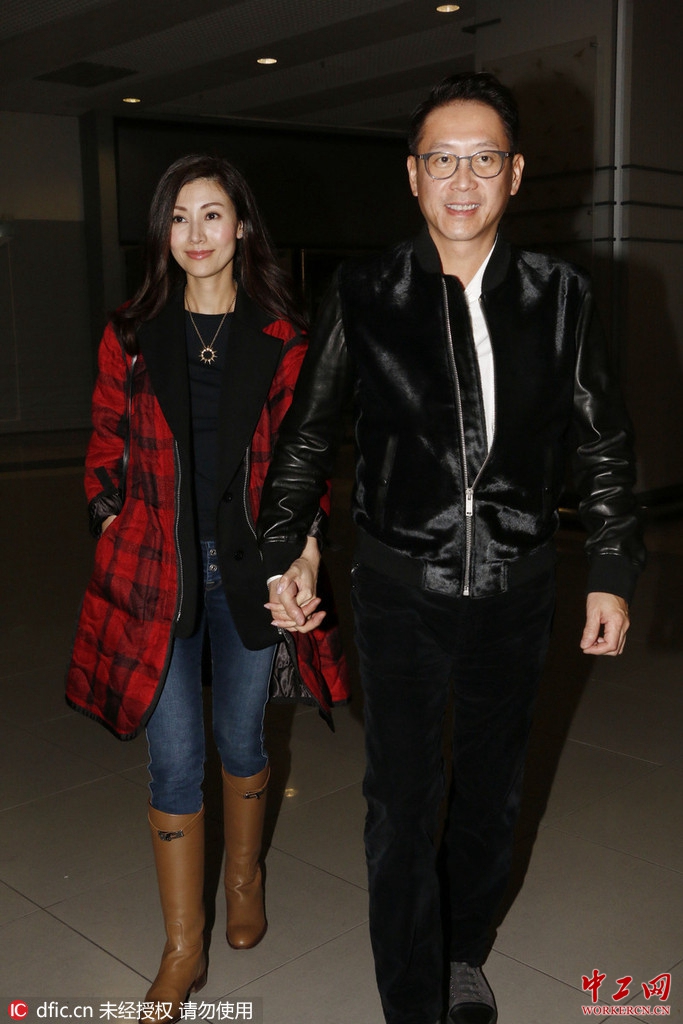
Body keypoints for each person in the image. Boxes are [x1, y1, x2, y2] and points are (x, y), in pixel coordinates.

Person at [256, 73, 646, 1024]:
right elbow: (308, 435)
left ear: (514, 174)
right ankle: (409, 996)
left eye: (482, 160)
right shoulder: (364, 292)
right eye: (442, 160)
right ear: (412, 175)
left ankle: (463, 949)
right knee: (399, 801)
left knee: (491, 797)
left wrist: (610, 567)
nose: (461, 181)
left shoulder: (560, 295)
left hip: (518, 588)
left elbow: (601, 439)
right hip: (400, 590)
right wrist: (283, 547)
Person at [66, 154, 348, 1022]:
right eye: (179, 217)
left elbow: (306, 463)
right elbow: (104, 446)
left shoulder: (285, 338)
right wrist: (112, 520)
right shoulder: (130, 333)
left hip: (250, 572)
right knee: (175, 756)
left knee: (241, 740)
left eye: (212, 214)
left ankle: (244, 879)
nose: (195, 234)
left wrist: (304, 551)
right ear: (163, 233)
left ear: (242, 227)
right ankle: (182, 947)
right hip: (157, 573)